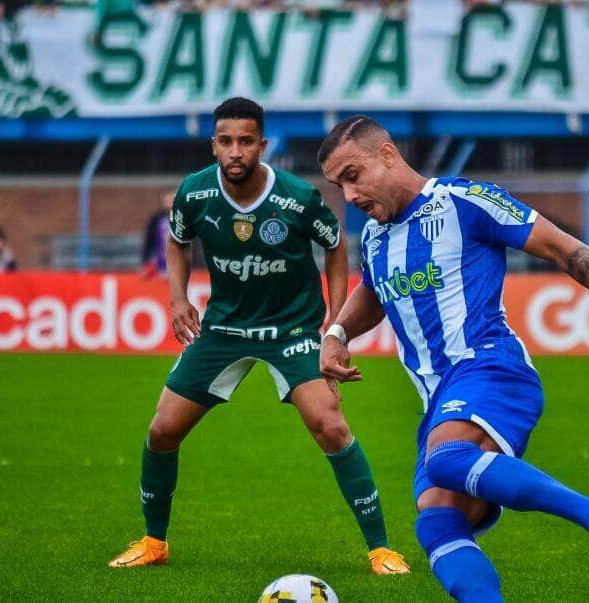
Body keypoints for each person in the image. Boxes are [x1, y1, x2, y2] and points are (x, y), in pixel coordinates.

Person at [317, 116, 589, 602]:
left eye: (353, 175)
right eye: (338, 184)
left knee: (446, 460)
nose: (349, 195)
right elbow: (374, 292)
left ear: (387, 154)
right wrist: (338, 332)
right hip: (438, 398)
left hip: (491, 367)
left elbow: (562, 247)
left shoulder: (464, 202)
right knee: (438, 523)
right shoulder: (376, 237)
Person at [109, 99, 409, 575]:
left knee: (330, 427)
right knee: (162, 431)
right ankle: (153, 541)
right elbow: (177, 241)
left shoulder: (296, 197)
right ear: (214, 145)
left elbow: (334, 246)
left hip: (291, 328)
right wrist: (178, 298)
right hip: (224, 329)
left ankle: (380, 549)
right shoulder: (194, 194)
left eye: (245, 141)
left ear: (262, 146)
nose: (235, 151)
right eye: (225, 141)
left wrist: (334, 321)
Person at [140, 189, 174, 278]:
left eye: (172, 200)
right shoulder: (157, 218)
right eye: (167, 201)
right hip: (160, 260)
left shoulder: (182, 217)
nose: (169, 203)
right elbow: (149, 239)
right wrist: (146, 260)